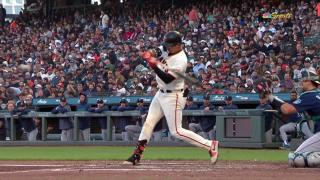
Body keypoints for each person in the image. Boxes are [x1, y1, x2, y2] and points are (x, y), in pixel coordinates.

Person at [124, 31, 218, 165]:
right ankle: (137, 155)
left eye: (170, 45)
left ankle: (210, 145)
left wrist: (153, 63)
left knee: (176, 131)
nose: (167, 48)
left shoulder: (181, 60)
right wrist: (151, 53)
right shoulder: (169, 47)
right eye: (167, 45)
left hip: (173, 95)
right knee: (149, 122)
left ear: (178, 45)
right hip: (160, 93)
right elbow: (158, 50)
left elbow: (167, 78)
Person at [266, 70, 320, 167]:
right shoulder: (317, 94)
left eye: (303, 81)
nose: (301, 83)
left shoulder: (309, 95)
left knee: (296, 157)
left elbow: (287, 110)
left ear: (309, 81)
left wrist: (270, 97)